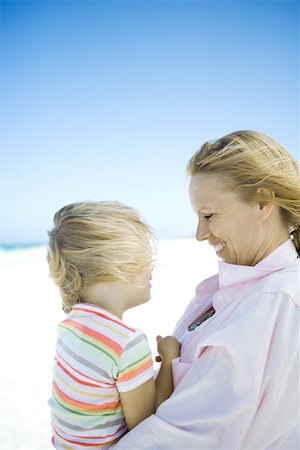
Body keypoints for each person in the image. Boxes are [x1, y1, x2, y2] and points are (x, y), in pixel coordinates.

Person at [113, 130, 300, 449]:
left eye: (209, 216)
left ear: (263, 202)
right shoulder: (238, 288)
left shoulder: (276, 301)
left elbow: (188, 436)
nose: (200, 234)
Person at [47, 201, 181, 449]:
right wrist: (170, 359)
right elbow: (145, 424)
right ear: (118, 265)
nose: (152, 266)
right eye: (145, 257)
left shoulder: (69, 326)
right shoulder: (126, 343)